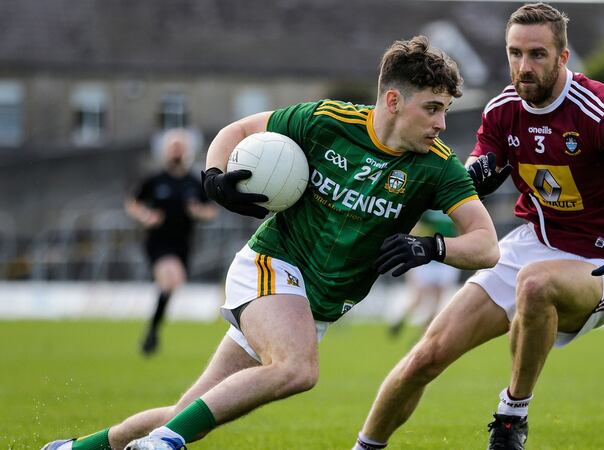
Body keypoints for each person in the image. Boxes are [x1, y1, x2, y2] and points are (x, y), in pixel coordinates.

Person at [42, 36, 499, 450]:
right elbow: (237, 131)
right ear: (394, 100)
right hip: (271, 265)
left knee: (184, 413)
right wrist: (214, 177)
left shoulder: (439, 167)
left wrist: (432, 248)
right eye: (433, 108)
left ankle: (77, 449)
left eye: (444, 109)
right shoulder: (326, 121)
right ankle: (161, 445)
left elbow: (485, 245)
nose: (442, 123)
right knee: (298, 369)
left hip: (311, 304)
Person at [352, 4, 604, 450]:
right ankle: (365, 446)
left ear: (563, 58)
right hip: (533, 242)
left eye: (538, 54)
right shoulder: (503, 110)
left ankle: (511, 417)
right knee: (424, 357)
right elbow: (473, 176)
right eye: (515, 53)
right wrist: (475, 177)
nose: (524, 67)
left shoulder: (600, 110)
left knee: (536, 284)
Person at [124, 129, 218, 356]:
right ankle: (152, 335)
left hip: (183, 243)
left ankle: (152, 331)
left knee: (173, 284)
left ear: (187, 151)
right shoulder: (155, 180)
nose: (176, 151)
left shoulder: (195, 182)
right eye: (172, 147)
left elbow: (211, 212)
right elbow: (132, 203)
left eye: (180, 147)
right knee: (170, 277)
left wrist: (198, 212)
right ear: (165, 151)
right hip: (158, 242)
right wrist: (145, 216)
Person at [387, 210, 461, 340]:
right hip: (429, 259)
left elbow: (460, 230)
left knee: (438, 301)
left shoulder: (455, 210)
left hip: (446, 259)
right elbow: (417, 228)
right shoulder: (429, 211)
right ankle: (401, 321)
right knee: (419, 298)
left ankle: (423, 334)